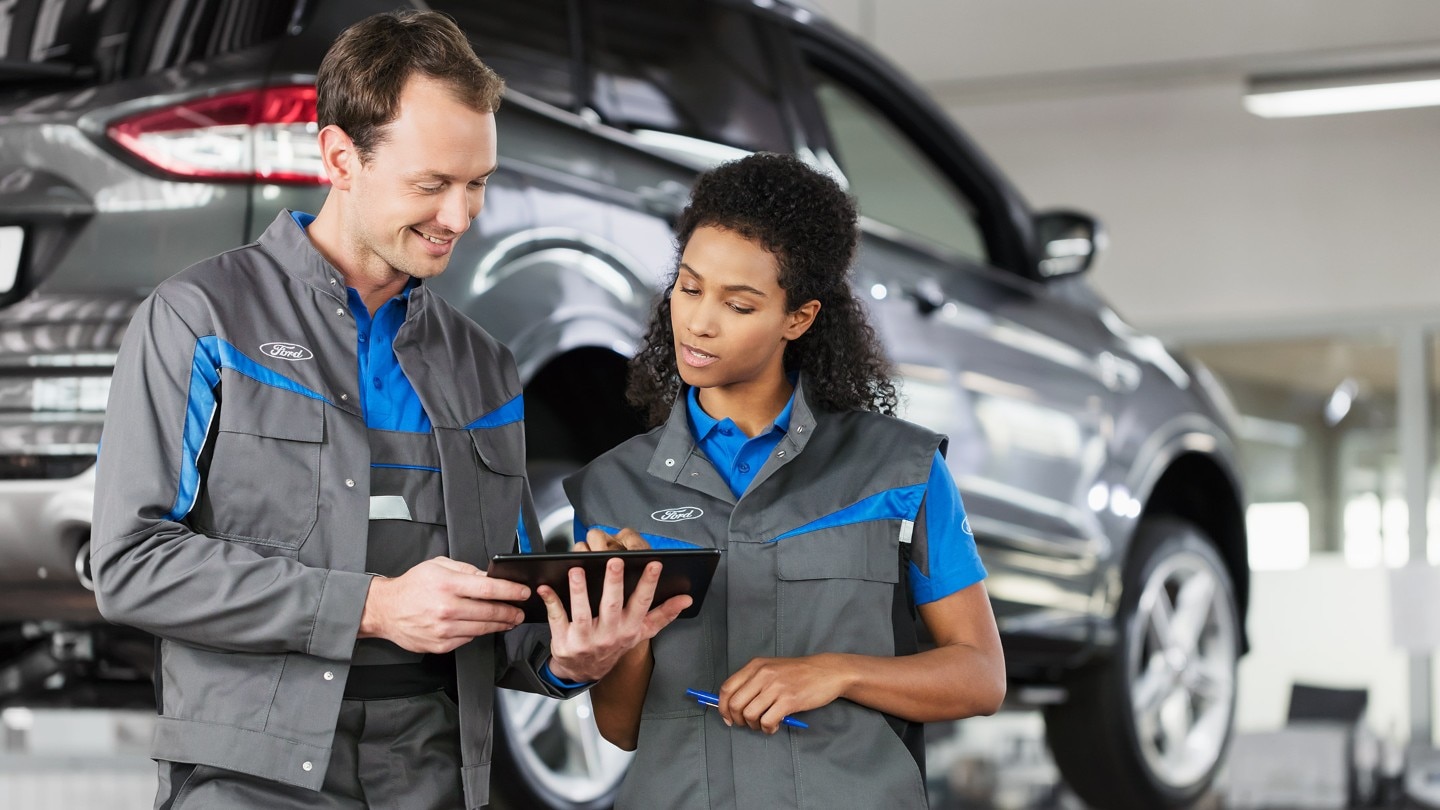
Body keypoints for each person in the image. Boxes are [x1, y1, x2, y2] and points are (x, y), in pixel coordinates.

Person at [90, 10, 686, 810]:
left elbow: (503, 620)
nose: (461, 217)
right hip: (251, 777)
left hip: (432, 775)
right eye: (432, 184)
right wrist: (373, 606)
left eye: (477, 183)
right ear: (340, 156)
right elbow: (130, 565)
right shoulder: (201, 320)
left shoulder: (483, 366)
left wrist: (572, 655)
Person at [564, 153, 1007, 809]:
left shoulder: (899, 470)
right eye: (689, 288)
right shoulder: (612, 490)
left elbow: (980, 675)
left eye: (738, 304)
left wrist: (836, 673)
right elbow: (620, 726)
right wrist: (621, 638)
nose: (700, 322)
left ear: (797, 318)